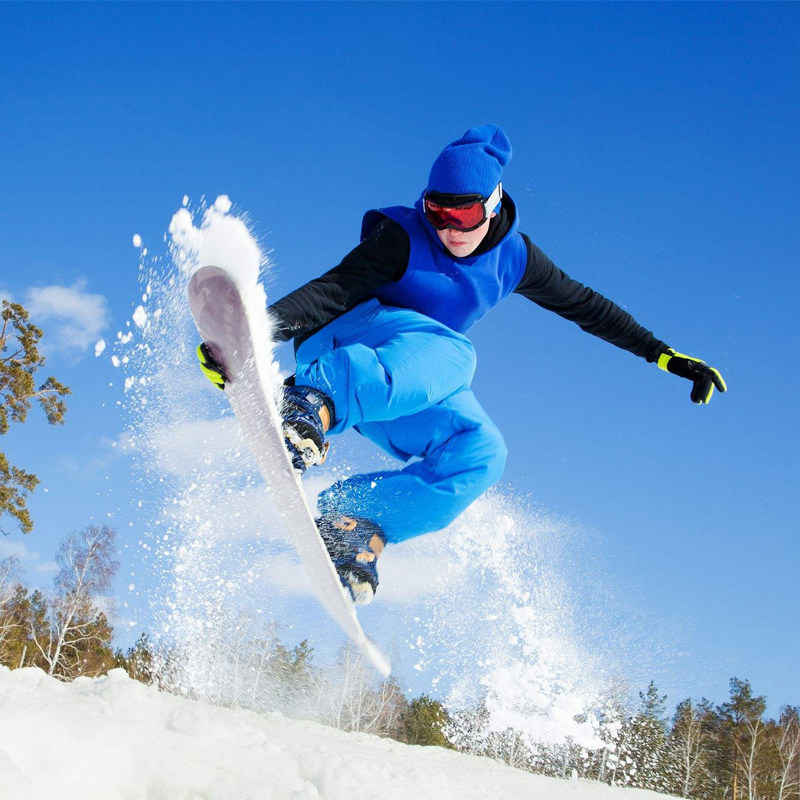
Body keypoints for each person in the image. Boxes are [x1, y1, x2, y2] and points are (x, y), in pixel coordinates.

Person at [197, 125, 726, 606]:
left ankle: (354, 518)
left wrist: (664, 355)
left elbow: (586, 306)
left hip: (401, 384)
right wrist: (253, 334)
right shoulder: (401, 238)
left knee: (481, 452)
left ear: (493, 206)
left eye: (465, 215)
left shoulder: (516, 259)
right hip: (342, 352)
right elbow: (331, 290)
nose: (449, 229)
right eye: (437, 212)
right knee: (456, 352)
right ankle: (309, 405)